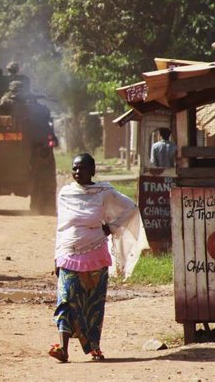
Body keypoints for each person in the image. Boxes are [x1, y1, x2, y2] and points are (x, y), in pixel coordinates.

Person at [49, 153, 148, 363]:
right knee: (65, 299)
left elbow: (130, 209)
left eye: (82, 168)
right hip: (68, 255)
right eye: (74, 168)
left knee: (93, 305)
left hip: (96, 256)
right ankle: (63, 349)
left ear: (92, 171)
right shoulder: (65, 193)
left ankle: (94, 347)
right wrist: (57, 256)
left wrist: (110, 227)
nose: (77, 172)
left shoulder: (104, 192)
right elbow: (61, 228)